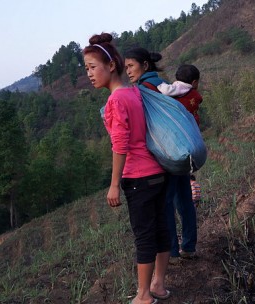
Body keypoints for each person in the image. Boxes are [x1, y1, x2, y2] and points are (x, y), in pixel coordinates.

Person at [83, 34, 171, 303]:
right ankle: (158, 285)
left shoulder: (116, 100)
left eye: (92, 67)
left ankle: (143, 295)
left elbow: (120, 145)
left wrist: (113, 184)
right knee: (162, 228)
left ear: (111, 65)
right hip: (157, 171)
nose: (89, 74)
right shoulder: (135, 91)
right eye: (86, 69)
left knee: (144, 235)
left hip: (138, 178)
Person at [157, 64, 203, 259]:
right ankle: (189, 247)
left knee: (168, 203)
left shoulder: (163, 94)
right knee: (185, 201)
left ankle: (173, 252)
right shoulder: (193, 96)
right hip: (187, 153)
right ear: (194, 83)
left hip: (170, 154)